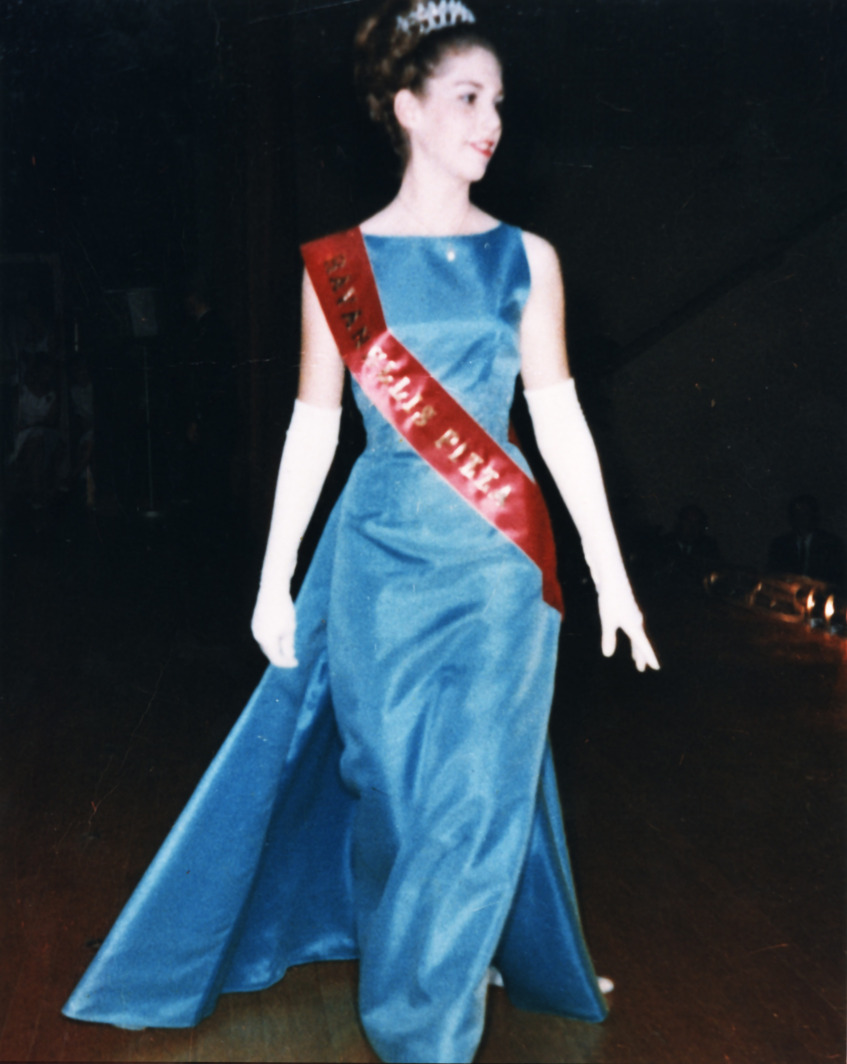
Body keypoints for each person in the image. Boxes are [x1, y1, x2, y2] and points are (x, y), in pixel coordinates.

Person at [62, 3, 658, 1061]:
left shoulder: (527, 259)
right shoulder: (335, 268)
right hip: (377, 560)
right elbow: (312, 426)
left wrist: (612, 578)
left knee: (477, 794)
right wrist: (272, 578)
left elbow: (559, 419)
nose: (491, 122)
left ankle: (423, 1027)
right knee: (391, 793)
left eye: (498, 102)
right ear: (406, 106)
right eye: (468, 98)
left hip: (500, 567)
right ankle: (456, 953)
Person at [767, 494, 845, 585]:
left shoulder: (831, 544)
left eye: (806, 513)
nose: (801, 518)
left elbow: (836, 578)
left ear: (814, 516)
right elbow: (774, 575)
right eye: (797, 514)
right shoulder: (780, 545)